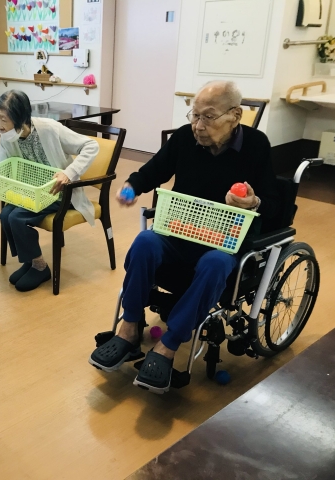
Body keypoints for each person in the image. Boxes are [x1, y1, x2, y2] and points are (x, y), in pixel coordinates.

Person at [89, 80, 280, 394]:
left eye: (208, 117)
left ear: (235, 115)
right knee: (145, 242)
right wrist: (132, 187)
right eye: (195, 115)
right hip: (180, 232)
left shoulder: (256, 145)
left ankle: (169, 344)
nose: (198, 126)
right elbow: (153, 171)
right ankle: (129, 328)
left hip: (224, 241)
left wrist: (254, 202)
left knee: (215, 265)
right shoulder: (183, 138)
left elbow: (273, 203)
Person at [0, 91, 99, 292]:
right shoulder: (8, 139)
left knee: (16, 217)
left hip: (60, 193)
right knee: (6, 215)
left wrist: (69, 173)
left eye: (4, 119)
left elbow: (91, 145)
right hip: (34, 193)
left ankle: (40, 267)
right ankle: (29, 261)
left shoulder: (50, 128)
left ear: (20, 118)